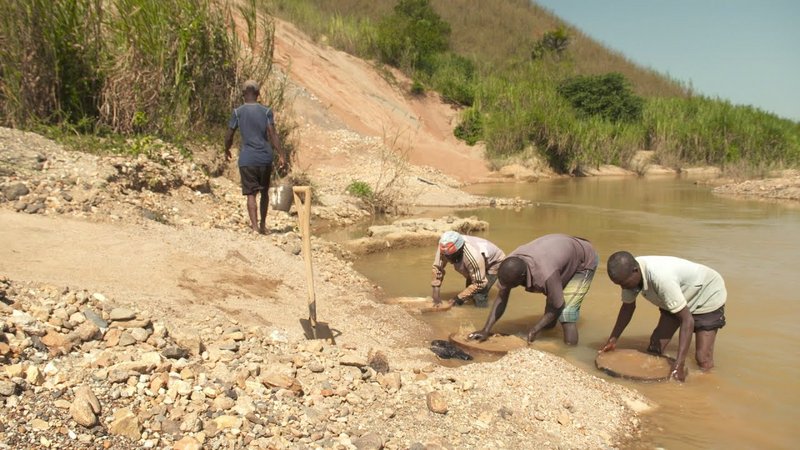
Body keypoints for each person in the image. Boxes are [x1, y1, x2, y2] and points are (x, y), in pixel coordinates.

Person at [600, 251, 727, 382]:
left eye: (625, 283)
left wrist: (679, 365)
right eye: (619, 284)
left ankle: (704, 388)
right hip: (677, 295)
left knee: (702, 358)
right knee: (655, 347)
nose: (623, 287)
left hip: (706, 294)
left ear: (635, 270)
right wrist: (613, 339)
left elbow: (687, 320)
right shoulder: (626, 275)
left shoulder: (661, 278)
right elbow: (627, 308)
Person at [468, 234, 599, 345]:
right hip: (558, 253)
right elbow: (501, 298)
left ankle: (569, 354)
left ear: (522, 277)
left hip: (583, 261)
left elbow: (558, 306)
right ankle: (548, 330)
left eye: (512, 285)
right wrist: (486, 329)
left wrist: (535, 329)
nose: (507, 288)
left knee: (566, 314)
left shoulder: (545, 274)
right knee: (553, 300)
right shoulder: (509, 265)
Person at [224, 79, 285, 234]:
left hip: (247, 159)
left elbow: (229, 134)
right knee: (264, 192)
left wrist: (227, 149)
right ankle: (263, 225)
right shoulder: (266, 112)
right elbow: (273, 134)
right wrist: (281, 154)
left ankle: (255, 228)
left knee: (251, 194)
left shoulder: (237, 112)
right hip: (265, 158)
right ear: (258, 94)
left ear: (243, 94)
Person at [431, 231, 505, 308]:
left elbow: (479, 283)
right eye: (446, 256)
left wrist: (457, 299)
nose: (448, 259)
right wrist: (436, 294)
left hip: (494, 263)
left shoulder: (472, 257)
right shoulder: (444, 248)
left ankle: (481, 315)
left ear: (460, 250)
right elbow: (437, 268)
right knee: (469, 290)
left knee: (479, 294)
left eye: (451, 256)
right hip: (477, 261)